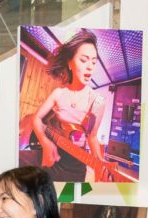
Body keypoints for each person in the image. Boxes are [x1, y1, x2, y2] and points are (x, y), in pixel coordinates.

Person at [30, 29, 110, 183]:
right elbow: (36, 118)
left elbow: (92, 136)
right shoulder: (58, 93)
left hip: (75, 168)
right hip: (51, 160)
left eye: (94, 62)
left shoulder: (98, 101)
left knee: (70, 196)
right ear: (70, 63)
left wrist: (101, 164)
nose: (90, 66)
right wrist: (45, 142)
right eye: (84, 60)